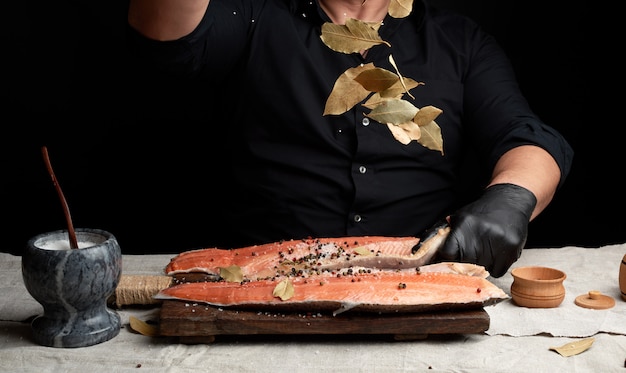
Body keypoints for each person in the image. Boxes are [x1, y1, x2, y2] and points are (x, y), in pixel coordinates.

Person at [125, 0, 574, 277]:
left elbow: (526, 135)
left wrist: (513, 196)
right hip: (259, 278)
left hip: (415, 279)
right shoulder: (256, 15)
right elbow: (165, 32)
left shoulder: (459, 41)